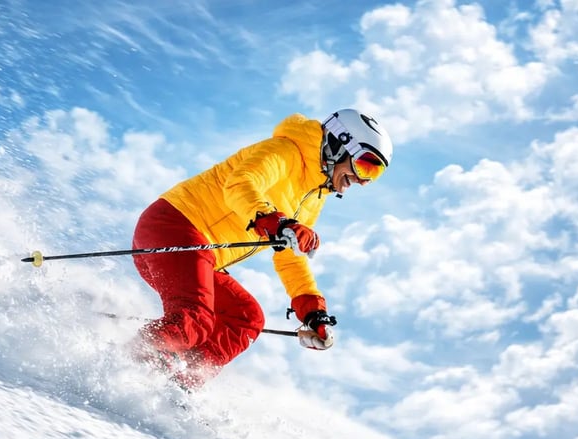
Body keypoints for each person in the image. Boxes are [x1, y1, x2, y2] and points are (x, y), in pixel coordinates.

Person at [130, 108, 393, 389]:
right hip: (174, 225)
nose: (364, 181)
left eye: (374, 174)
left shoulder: (314, 195)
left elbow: (290, 256)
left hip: (203, 255)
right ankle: (128, 361)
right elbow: (240, 183)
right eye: (365, 165)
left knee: (245, 318)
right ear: (340, 144)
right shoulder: (285, 152)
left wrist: (312, 310)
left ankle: (179, 383)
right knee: (196, 319)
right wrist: (274, 220)